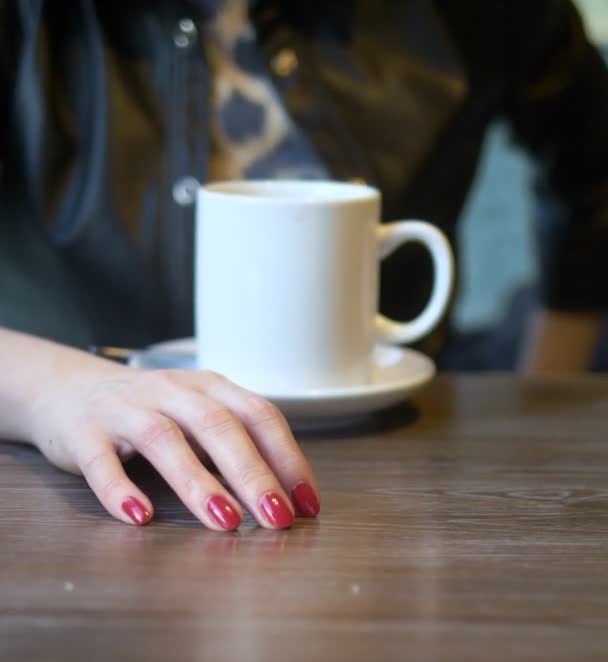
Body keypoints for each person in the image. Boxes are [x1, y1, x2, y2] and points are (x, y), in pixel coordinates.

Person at [1, 0, 607, 528]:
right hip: (78, 459)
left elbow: (592, 167)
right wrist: (56, 391)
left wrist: (544, 386)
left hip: (396, 443)